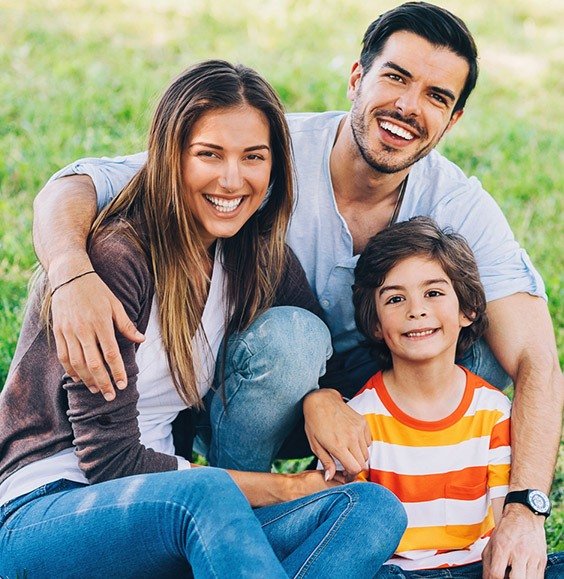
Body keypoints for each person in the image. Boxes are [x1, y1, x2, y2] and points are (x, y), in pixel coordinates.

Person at [32, 2, 563, 577]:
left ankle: (442, 541)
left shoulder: (256, 242)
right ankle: (248, 525)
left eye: (437, 96)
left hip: (346, 404)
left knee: (378, 499)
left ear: (453, 119)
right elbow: (83, 180)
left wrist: (525, 509)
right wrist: (70, 269)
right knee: (282, 354)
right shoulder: (257, 161)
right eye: (396, 77)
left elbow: (537, 358)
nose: (409, 106)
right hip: (109, 481)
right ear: (357, 78)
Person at [0, 60, 406, 577]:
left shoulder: (253, 254)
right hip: (49, 511)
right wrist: (284, 488)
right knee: (209, 494)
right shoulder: (118, 257)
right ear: (172, 159)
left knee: (368, 511)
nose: (232, 179)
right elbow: (110, 463)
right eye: (209, 155)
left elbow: (310, 338)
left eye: (253, 157)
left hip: (180, 522)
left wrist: (322, 397)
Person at [349, 217, 563, 578]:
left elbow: (502, 523)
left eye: (433, 293)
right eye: (396, 298)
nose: (416, 310)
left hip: (479, 568)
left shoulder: (493, 412)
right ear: (375, 323)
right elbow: (354, 537)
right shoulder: (359, 418)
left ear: (468, 310)